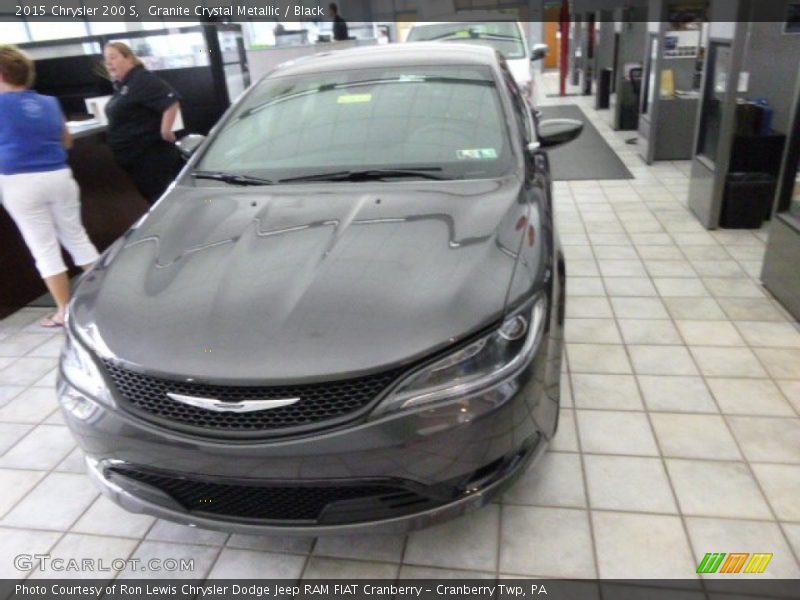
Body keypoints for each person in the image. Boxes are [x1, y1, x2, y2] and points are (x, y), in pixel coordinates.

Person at [0, 45, 99, 327]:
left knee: (43, 248)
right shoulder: (49, 102)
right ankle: (102, 300)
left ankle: (64, 311)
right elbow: (66, 141)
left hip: (19, 183)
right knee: (77, 238)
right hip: (59, 176)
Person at [103, 42, 185, 203]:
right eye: (107, 60)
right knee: (155, 199)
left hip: (150, 158)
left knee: (163, 201)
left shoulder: (141, 79)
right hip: (135, 160)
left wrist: (166, 130)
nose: (109, 63)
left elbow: (171, 100)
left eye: (113, 58)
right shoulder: (123, 84)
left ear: (129, 58)